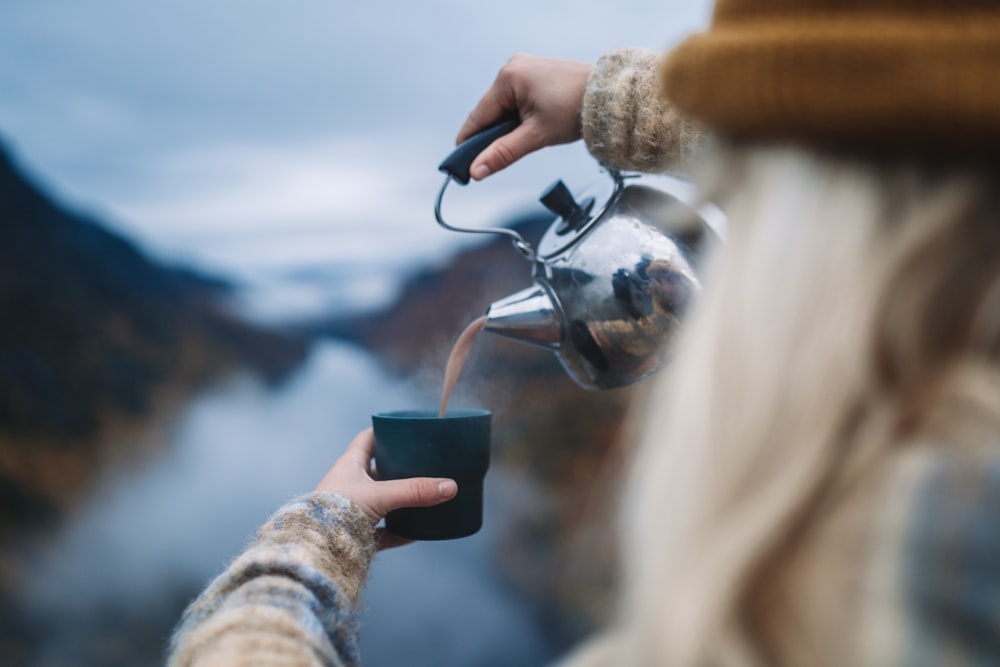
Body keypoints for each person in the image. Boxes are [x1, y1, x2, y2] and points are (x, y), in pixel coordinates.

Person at [167, 0, 1000, 665]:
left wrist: (305, 543)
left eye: (752, 186)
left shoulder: (853, 571)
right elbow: (851, 124)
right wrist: (612, 100)